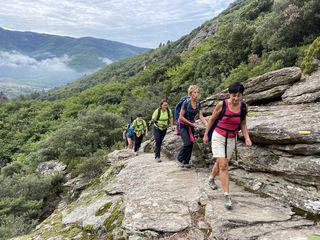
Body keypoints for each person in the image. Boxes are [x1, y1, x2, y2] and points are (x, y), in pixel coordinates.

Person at [203, 82, 252, 209]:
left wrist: (247, 138)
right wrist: (206, 134)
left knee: (221, 162)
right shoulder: (222, 104)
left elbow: (243, 124)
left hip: (231, 138)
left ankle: (211, 178)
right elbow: (212, 119)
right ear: (229, 94)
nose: (236, 98)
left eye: (239, 95)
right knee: (224, 165)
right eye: (234, 95)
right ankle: (226, 195)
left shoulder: (243, 107)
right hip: (218, 136)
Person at [177, 85, 207, 168]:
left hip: (191, 125)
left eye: (197, 92)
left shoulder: (198, 103)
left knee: (191, 143)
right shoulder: (186, 103)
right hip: (183, 125)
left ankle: (186, 162)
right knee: (187, 143)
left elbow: (201, 116)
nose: (196, 94)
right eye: (194, 92)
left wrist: (207, 124)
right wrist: (192, 124)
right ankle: (180, 158)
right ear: (190, 93)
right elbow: (181, 117)